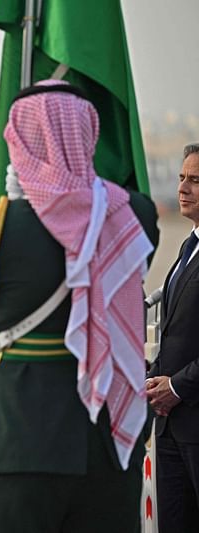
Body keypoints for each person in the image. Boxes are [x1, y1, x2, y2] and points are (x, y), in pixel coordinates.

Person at [0, 80, 159, 533]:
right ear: (88, 133)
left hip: (14, 439)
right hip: (106, 438)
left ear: (21, 140)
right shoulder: (133, 214)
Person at [146, 142, 199, 532]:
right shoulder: (187, 247)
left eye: (196, 181)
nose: (183, 188)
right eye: (182, 178)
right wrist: (150, 379)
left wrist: (177, 386)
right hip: (171, 425)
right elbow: (175, 333)